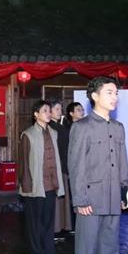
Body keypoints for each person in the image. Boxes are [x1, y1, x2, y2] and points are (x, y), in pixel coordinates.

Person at [67, 77, 128, 254]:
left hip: (113, 197)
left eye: (116, 93)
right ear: (94, 96)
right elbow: (76, 166)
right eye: (109, 92)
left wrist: (124, 192)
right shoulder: (82, 127)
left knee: (110, 250)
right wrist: (80, 200)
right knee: (86, 250)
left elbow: (123, 163)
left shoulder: (118, 127)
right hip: (90, 199)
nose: (115, 97)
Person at [18, 100, 64, 254]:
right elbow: (23, 162)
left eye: (49, 111)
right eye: (44, 111)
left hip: (51, 183)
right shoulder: (28, 134)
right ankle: (36, 250)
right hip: (35, 183)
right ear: (36, 114)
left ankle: (48, 249)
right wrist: (26, 185)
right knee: (34, 220)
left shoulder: (54, 133)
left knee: (48, 218)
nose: (48, 113)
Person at [48, 100, 72, 241]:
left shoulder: (61, 127)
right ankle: (56, 228)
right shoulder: (50, 128)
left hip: (63, 165)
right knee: (57, 199)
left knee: (63, 199)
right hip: (55, 167)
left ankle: (63, 226)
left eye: (60, 109)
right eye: (56, 109)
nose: (59, 111)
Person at [64, 101, 85, 232]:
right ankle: (73, 224)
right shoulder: (69, 129)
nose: (82, 112)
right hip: (73, 167)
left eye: (82, 109)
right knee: (73, 196)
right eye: (78, 110)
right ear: (71, 113)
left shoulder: (85, 127)